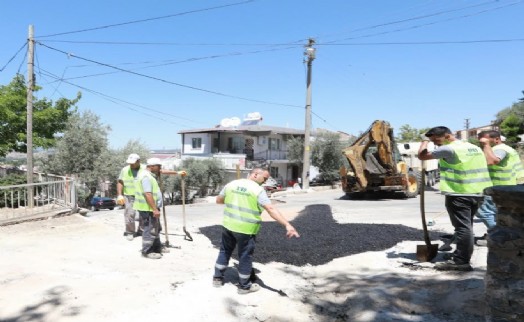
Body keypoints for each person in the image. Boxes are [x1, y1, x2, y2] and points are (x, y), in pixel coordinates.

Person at [213, 168, 300, 294]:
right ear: (255, 175)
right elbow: (270, 209)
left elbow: (219, 200)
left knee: (225, 250)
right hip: (246, 229)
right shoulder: (258, 190)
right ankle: (244, 286)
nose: (264, 182)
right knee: (244, 256)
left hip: (228, 225)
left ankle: (217, 278)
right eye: (264, 178)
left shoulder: (231, 184)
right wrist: (287, 224)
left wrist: (235, 201)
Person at [418, 126, 492, 271]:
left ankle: (461, 261)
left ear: (447, 136)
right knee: (467, 226)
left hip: (460, 193)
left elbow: (422, 155)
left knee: (463, 228)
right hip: (478, 192)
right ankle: (461, 254)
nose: (436, 144)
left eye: (436, 140)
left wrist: (424, 141)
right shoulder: (471, 147)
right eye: (433, 141)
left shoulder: (449, 148)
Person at [475, 130, 524, 241]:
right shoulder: (502, 148)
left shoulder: (500, 149)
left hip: (497, 187)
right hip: (503, 186)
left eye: (485, 139)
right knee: (495, 213)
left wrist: (486, 145)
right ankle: (497, 234)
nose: (481, 141)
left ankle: (497, 237)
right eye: (480, 139)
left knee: (484, 212)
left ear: (496, 139)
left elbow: (493, 161)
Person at [133, 158, 165, 259]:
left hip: (149, 207)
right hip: (148, 208)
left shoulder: (145, 174)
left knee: (156, 227)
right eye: (158, 166)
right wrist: (154, 209)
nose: (160, 168)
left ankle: (157, 247)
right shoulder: (146, 177)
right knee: (149, 228)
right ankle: (147, 251)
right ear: (152, 166)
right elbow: (148, 194)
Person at [117, 153, 146, 241]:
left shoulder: (145, 168)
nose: (131, 165)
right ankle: (130, 232)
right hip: (129, 196)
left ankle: (142, 231)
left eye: (133, 163)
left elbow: (158, 171)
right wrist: (119, 195)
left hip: (142, 196)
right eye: (130, 163)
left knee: (143, 214)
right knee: (129, 214)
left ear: (138, 161)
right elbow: (120, 182)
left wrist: (176, 173)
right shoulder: (125, 170)